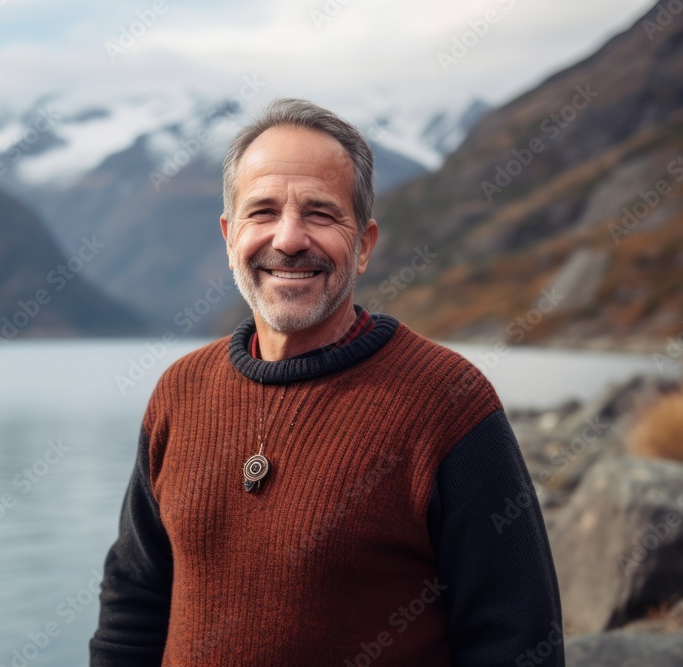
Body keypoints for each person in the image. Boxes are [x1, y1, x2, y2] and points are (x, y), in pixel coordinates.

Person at [90, 98, 564, 666]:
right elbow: (133, 603)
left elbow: (517, 639)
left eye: (319, 213)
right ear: (228, 234)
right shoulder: (180, 392)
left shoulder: (448, 402)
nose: (289, 240)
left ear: (364, 244)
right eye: (262, 211)